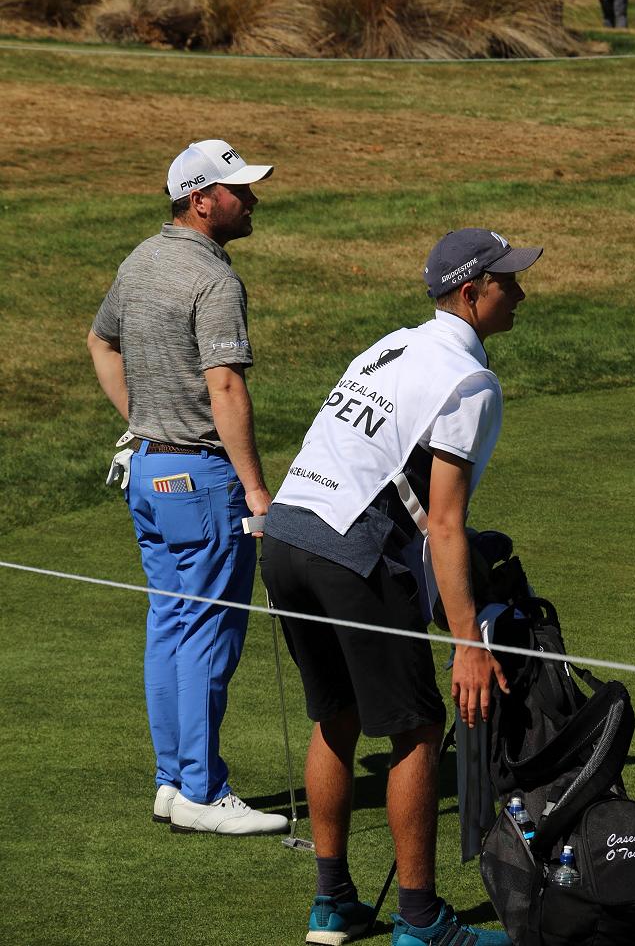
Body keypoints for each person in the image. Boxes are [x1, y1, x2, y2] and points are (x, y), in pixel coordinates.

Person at [261, 228, 544, 945]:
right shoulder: (469, 381)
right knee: (417, 729)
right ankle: (420, 922)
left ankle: (333, 904)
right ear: (469, 292)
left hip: (287, 536)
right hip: (349, 556)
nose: (519, 291)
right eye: (507, 281)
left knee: (339, 716)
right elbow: (443, 524)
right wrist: (465, 646)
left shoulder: (392, 341)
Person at [87, 139, 288, 837]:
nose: (253, 198)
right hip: (201, 481)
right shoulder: (215, 281)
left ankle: (173, 781)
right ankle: (201, 789)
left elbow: (100, 342)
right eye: (239, 190)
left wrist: (143, 421)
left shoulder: (140, 258)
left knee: (171, 627)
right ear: (201, 200)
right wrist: (257, 492)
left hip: (150, 470)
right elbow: (225, 383)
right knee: (205, 633)